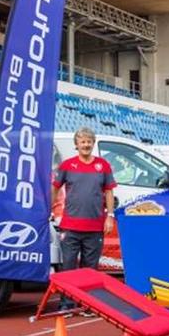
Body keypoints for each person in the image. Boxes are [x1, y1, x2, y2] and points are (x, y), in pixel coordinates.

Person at [52, 127, 116, 313]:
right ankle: (67, 303)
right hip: (70, 227)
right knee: (69, 267)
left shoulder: (103, 166)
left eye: (89, 141)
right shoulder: (66, 166)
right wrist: (49, 208)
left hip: (95, 227)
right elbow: (55, 188)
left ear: (93, 143)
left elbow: (109, 191)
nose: (86, 145)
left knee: (91, 269)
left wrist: (109, 216)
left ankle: (89, 304)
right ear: (76, 145)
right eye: (82, 142)